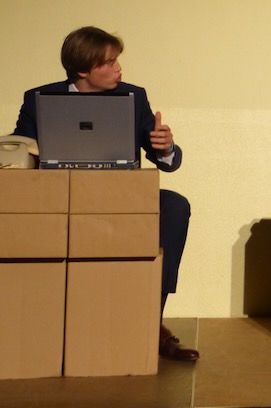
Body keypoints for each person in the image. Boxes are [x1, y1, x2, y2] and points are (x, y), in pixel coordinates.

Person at [12, 26, 199, 361]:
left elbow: (165, 161)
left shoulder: (133, 96)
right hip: (61, 196)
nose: (118, 69)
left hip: (120, 195)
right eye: (109, 63)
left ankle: (150, 319)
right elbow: (21, 149)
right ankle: (36, 322)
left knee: (174, 205)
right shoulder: (39, 98)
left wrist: (166, 147)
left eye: (117, 61)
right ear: (83, 70)